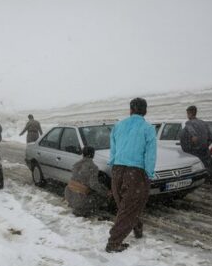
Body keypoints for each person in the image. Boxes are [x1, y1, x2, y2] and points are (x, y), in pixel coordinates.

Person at [106, 98, 157, 253]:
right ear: (145, 111)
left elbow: (113, 149)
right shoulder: (147, 128)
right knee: (130, 206)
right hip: (135, 171)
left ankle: (137, 226)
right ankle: (114, 242)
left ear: (131, 110)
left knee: (125, 203)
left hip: (117, 169)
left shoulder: (118, 126)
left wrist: (114, 164)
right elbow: (150, 154)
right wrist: (149, 173)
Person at [180, 105, 212, 191]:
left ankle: (194, 185)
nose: (187, 116)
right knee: (208, 166)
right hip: (204, 149)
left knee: (195, 168)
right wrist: (206, 145)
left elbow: (191, 130)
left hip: (194, 150)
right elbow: (211, 137)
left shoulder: (189, 123)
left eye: (187, 114)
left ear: (190, 114)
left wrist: (194, 137)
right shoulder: (203, 123)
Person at [64, 146, 110, 217]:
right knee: (102, 195)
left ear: (83, 154)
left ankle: (77, 205)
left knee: (87, 191)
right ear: (93, 154)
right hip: (81, 201)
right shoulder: (93, 167)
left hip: (69, 195)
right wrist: (106, 192)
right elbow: (94, 185)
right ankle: (88, 209)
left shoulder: (76, 164)